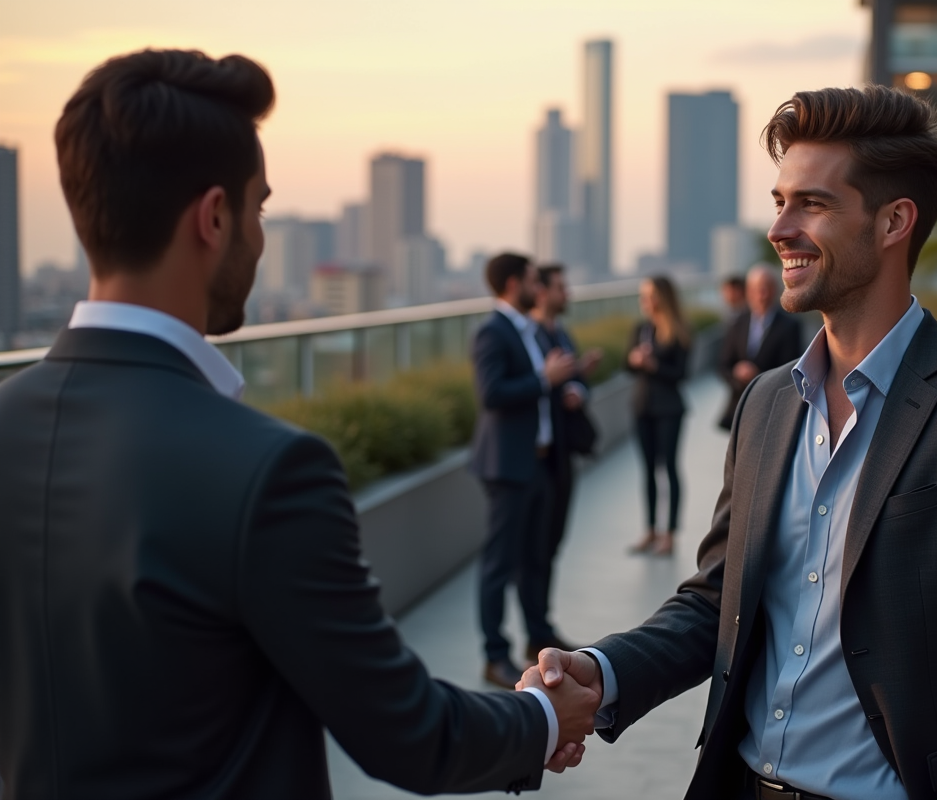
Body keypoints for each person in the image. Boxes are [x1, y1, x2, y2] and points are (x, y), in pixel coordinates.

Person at [0, 49, 599, 799]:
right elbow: (404, 731)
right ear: (214, 218)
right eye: (259, 208)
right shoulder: (266, 469)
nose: (258, 235)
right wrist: (541, 717)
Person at [525, 85, 937, 800]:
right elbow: (717, 601)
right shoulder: (765, 404)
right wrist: (599, 673)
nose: (779, 228)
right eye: (779, 200)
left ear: (894, 222)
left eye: (812, 204)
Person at [469, 252, 581, 689]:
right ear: (514, 284)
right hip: (507, 466)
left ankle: (538, 635)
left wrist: (565, 383)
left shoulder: (529, 330)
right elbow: (491, 393)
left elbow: (544, 386)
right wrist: (544, 380)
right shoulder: (491, 332)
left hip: (540, 462)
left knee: (537, 555)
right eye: (534, 281)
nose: (539, 288)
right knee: (499, 564)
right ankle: (494, 655)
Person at [529, 264, 602, 657]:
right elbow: (535, 387)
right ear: (541, 292)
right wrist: (558, 382)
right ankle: (534, 630)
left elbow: (569, 382)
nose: (567, 293)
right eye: (561, 287)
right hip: (539, 456)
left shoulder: (560, 333)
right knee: (535, 548)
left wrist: (578, 382)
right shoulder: (532, 335)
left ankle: (541, 628)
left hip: (561, 454)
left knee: (552, 542)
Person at [626, 276, 691, 557]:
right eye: (643, 295)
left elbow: (681, 374)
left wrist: (653, 365)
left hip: (669, 408)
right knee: (648, 470)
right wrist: (634, 361)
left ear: (662, 297)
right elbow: (625, 367)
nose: (645, 301)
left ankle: (670, 534)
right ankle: (650, 529)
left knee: (670, 469)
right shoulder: (641, 329)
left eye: (650, 295)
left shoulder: (678, 332)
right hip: (643, 407)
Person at [716, 265, 804, 430]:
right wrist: (737, 372)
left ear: (776, 290)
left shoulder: (791, 326)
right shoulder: (736, 323)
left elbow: (792, 368)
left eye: (767, 288)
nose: (762, 294)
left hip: (773, 408)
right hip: (740, 408)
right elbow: (722, 365)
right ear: (748, 292)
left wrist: (758, 375)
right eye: (757, 289)